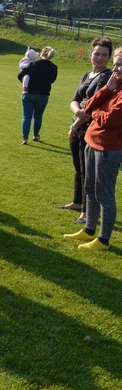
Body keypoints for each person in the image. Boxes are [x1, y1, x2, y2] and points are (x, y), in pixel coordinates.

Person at [63, 47, 122, 250]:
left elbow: (109, 119)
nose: (116, 68)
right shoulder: (113, 85)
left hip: (108, 148)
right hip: (91, 141)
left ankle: (103, 240)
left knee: (104, 194)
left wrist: (96, 111)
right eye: (115, 63)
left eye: (121, 64)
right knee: (89, 188)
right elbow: (87, 107)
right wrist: (107, 89)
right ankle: (88, 230)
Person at [59, 37, 113, 224]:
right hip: (76, 125)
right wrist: (76, 113)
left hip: (89, 130)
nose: (99, 58)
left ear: (109, 58)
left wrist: (76, 124)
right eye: (96, 53)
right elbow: (74, 99)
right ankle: (77, 201)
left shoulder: (106, 77)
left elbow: (94, 107)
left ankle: (86, 212)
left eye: (104, 55)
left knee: (87, 172)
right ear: (90, 54)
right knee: (78, 167)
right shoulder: (86, 75)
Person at [18, 46, 58, 144]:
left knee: (26, 117)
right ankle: (35, 135)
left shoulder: (33, 64)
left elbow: (20, 75)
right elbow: (52, 80)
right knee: (38, 116)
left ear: (42, 53)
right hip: (43, 95)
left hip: (29, 94)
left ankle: (25, 138)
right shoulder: (54, 67)